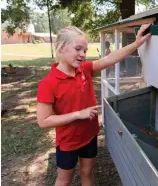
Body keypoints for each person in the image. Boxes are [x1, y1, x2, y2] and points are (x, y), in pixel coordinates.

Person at [36, 24, 151, 186]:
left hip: (89, 136)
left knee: (87, 173)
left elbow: (110, 59)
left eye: (85, 50)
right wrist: (78, 114)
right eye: (78, 49)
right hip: (68, 142)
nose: (83, 55)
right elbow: (43, 121)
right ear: (61, 48)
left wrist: (137, 43)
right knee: (64, 180)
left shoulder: (84, 69)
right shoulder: (48, 83)